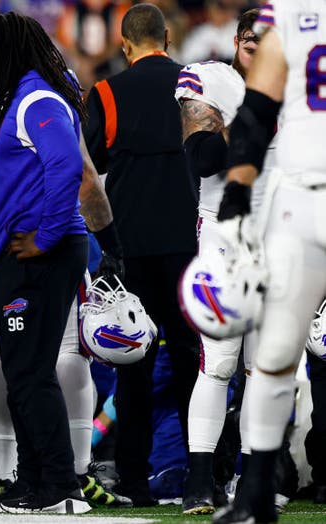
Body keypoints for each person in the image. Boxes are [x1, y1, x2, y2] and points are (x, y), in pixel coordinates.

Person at [0, 72, 129, 508]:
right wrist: (110, 243)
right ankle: (73, 471)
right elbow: (81, 174)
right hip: (32, 223)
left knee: (2, 357)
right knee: (61, 352)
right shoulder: (45, 91)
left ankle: (10, 472)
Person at [0, 11, 91, 514]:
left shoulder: (37, 98)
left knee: (31, 372)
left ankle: (58, 484)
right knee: (25, 371)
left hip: (37, 253)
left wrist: (45, 236)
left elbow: (67, 164)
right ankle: (37, 480)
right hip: (23, 252)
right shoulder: (29, 95)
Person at [83, 3, 200, 506]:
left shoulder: (107, 92)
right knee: (199, 367)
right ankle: (205, 474)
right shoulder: (195, 86)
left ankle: (133, 479)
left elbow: (89, 164)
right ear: (167, 38)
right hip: (188, 246)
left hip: (129, 251)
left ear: (124, 43)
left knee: (133, 366)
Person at [213, 1, 326, 522]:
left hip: (301, 199)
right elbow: (256, 111)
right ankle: (257, 493)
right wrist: (236, 193)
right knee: (277, 348)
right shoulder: (292, 17)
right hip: (300, 196)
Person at [175, 9, 266, 515]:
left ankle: (250, 479)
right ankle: (198, 478)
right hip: (225, 233)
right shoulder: (214, 78)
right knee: (218, 362)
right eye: (254, 43)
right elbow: (203, 157)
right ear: (237, 40)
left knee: (265, 369)